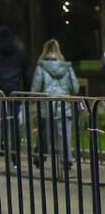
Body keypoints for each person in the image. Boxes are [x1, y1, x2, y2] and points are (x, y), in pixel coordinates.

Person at [32, 39, 80, 173]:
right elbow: (75, 87)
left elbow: (36, 88)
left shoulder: (41, 67)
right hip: (65, 104)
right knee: (64, 134)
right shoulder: (67, 67)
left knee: (44, 134)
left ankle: (40, 157)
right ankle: (66, 160)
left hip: (46, 105)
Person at [0, 27, 31, 161]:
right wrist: (26, 93)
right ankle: (15, 155)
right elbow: (27, 75)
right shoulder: (20, 54)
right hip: (14, 93)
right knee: (14, 124)